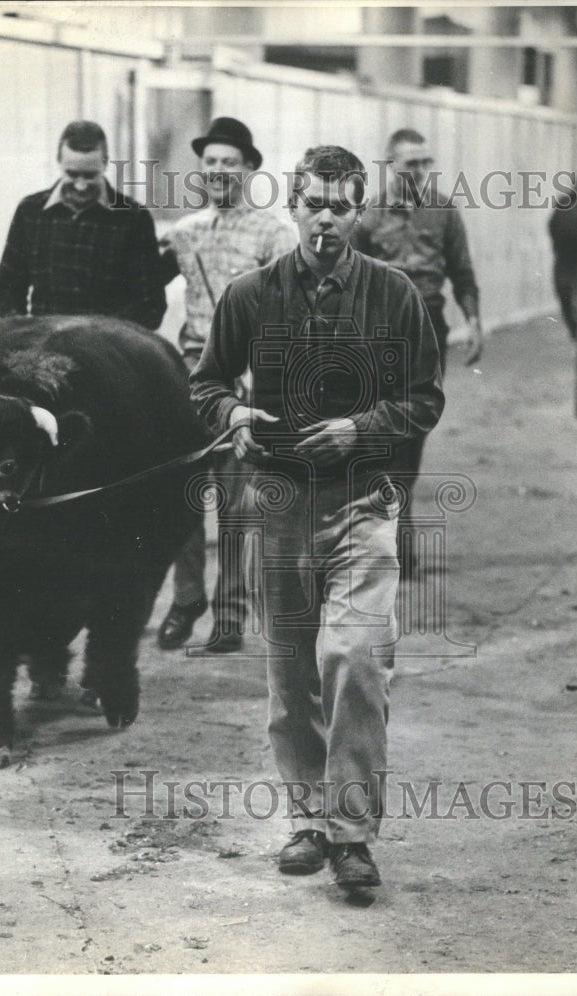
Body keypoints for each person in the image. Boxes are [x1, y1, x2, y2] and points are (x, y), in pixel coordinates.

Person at [190, 146, 444, 892]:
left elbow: (424, 399)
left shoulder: (394, 294)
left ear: (357, 211)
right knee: (291, 673)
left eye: (339, 205)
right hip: (280, 510)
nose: (325, 218)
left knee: (356, 660)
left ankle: (352, 834)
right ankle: (307, 822)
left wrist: (360, 430)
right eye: (313, 203)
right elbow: (204, 384)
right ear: (293, 206)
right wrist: (233, 410)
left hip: (363, 506)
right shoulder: (251, 293)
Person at [156, 118, 296, 653]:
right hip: (192, 376)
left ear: (249, 169)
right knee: (182, 495)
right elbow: (147, 287)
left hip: (245, 381)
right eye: (210, 162)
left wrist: (264, 386)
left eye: (229, 163)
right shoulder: (185, 231)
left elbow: (287, 315)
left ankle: (230, 615)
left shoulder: (275, 232)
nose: (218, 171)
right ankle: (186, 597)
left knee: (239, 504)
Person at [350, 127, 481, 568]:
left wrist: (474, 322)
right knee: (379, 431)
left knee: (415, 426)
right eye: (412, 164)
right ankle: (383, 534)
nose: (422, 171)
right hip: (378, 332)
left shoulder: (443, 210)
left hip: (427, 327)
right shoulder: (367, 215)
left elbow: (462, 270)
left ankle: (397, 527)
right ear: (391, 166)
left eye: (427, 162)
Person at [0, 120, 166, 330]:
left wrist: (104, 338)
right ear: (59, 162)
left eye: (90, 175)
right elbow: (8, 285)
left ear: (105, 163)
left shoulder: (133, 219)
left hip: (109, 349)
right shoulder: (30, 212)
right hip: (45, 345)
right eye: (72, 174)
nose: (81, 185)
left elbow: (150, 304)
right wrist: (24, 334)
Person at [548, 174, 577, 341]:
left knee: (566, 295)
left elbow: (551, 226)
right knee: (568, 296)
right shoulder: (571, 205)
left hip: (567, 258)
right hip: (571, 257)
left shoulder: (565, 203)